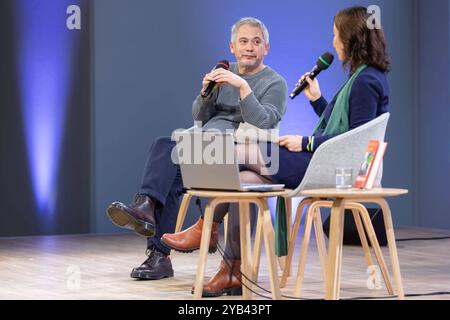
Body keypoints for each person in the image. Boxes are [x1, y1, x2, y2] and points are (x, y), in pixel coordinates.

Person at [162, 5, 391, 297]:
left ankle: (206, 223)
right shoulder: (363, 76)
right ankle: (232, 270)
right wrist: (317, 100)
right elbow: (346, 129)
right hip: (327, 161)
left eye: (336, 35)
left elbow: (356, 143)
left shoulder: (367, 80)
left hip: (339, 169)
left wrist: (305, 143)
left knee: (245, 153)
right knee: (244, 179)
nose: (333, 41)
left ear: (351, 38)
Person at [106, 17, 288, 281]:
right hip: (204, 149)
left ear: (266, 48)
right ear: (233, 47)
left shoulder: (275, 83)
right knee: (164, 152)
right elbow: (199, 118)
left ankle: (147, 213)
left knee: (166, 155)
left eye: (256, 42)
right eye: (244, 42)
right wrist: (205, 93)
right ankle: (153, 233)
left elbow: (265, 121)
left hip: (240, 154)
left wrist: (242, 87)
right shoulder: (223, 73)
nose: (250, 47)